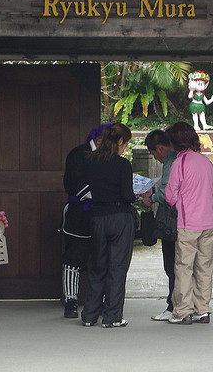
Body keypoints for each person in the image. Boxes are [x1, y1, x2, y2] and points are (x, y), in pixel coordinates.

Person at [80, 123, 136, 328]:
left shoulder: (91, 162)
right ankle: (112, 317)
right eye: (126, 143)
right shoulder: (122, 165)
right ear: (120, 141)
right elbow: (127, 195)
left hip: (97, 217)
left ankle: (89, 315)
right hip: (119, 217)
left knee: (98, 266)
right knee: (117, 268)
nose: (125, 147)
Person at [164, 122, 213, 325]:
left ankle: (183, 310)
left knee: (184, 267)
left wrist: (178, 203)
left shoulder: (180, 163)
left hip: (188, 223)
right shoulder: (206, 162)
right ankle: (203, 309)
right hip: (207, 222)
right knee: (204, 267)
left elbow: (170, 194)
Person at [60, 123, 112, 318]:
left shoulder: (108, 157)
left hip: (102, 214)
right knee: (73, 258)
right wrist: (106, 195)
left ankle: (100, 301)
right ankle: (71, 301)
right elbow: (77, 185)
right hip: (78, 214)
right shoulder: (78, 155)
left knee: (102, 258)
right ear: (98, 139)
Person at [141, 129, 178, 321]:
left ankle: (173, 306)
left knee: (171, 265)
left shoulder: (171, 162)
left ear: (160, 148)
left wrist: (151, 198)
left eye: (153, 153)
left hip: (172, 220)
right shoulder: (183, 159)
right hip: (188, 220)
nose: (155, 158)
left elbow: (168, 194)